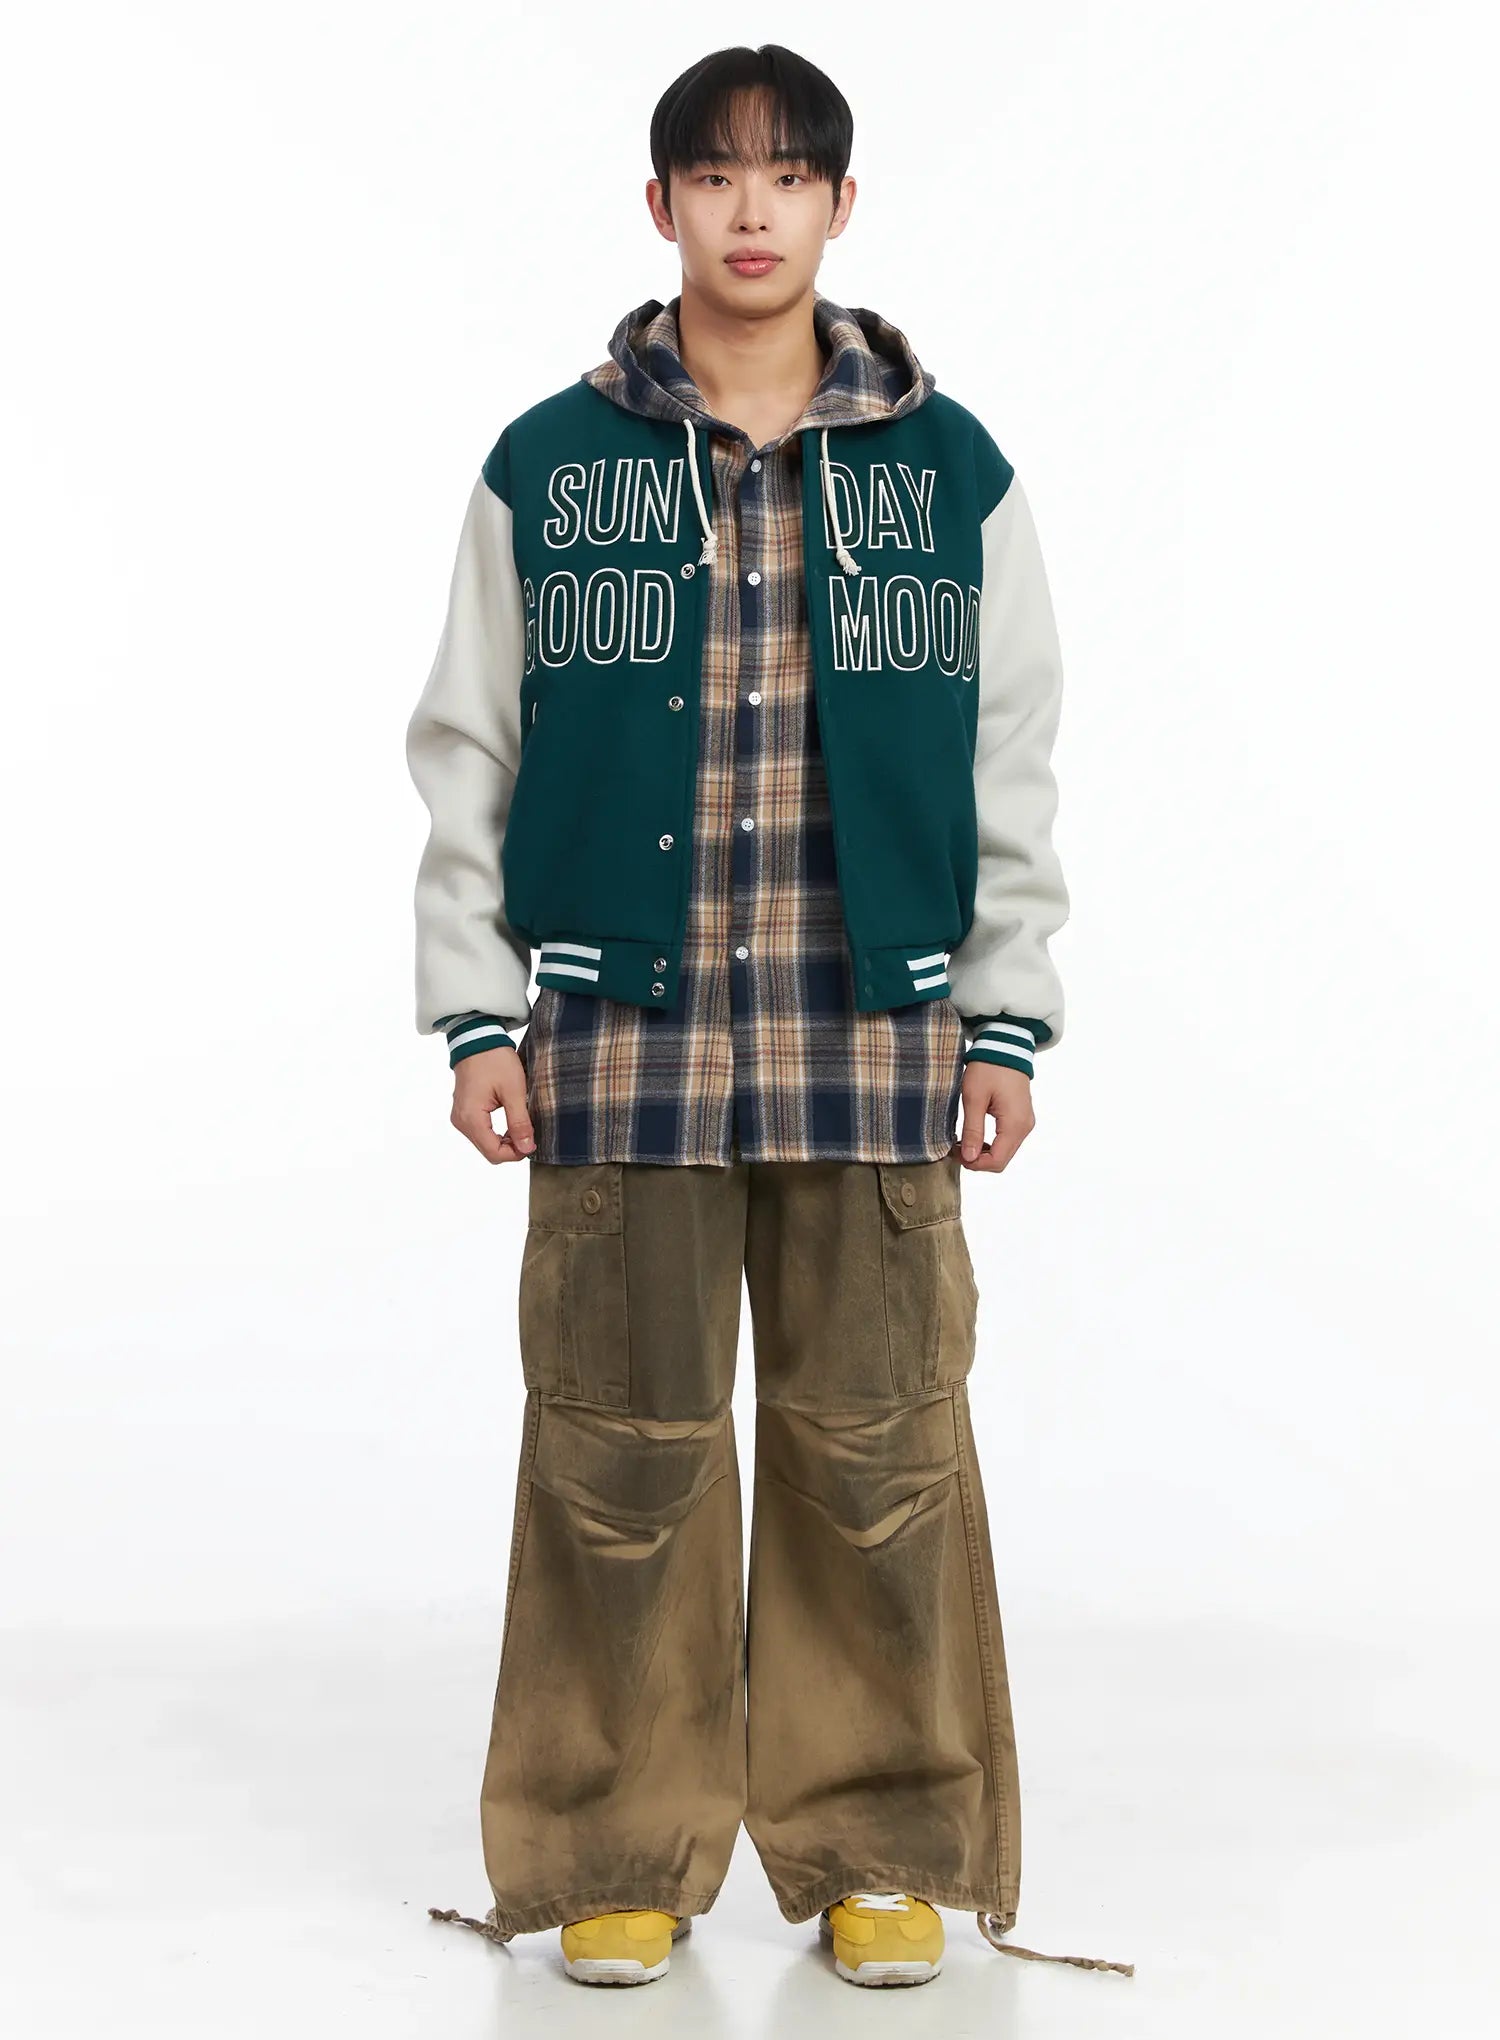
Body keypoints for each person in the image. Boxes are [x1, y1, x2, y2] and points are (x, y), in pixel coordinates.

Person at [409, 41, 1123, 1994]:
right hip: (617, 1049)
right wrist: (476, 1012)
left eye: (788, 174)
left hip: (873, 1043)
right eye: (715, 176)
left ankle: (880, 1843)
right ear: (660, 207)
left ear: (839, 205)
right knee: (616, 1457)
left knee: (874, 1456)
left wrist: (1007, 1016)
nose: (751, 209)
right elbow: (469, 744)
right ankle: (613, 1847)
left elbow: (1012, 755)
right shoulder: (547, 469)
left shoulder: (950, 471)